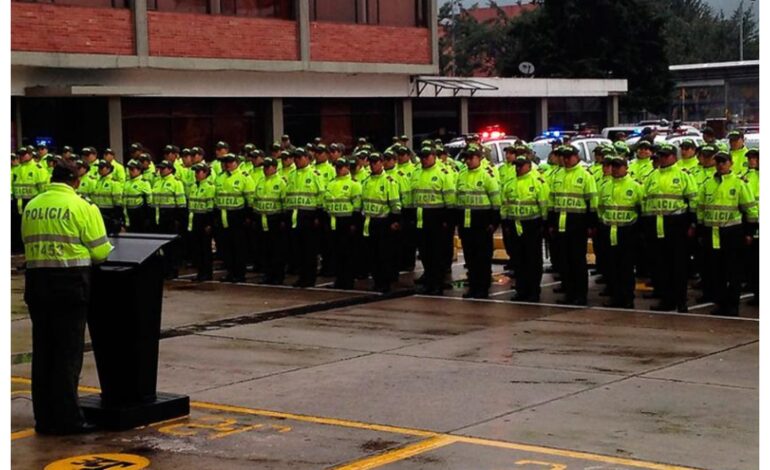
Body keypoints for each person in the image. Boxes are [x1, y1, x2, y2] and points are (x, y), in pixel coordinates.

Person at [22, 160, 113, 435]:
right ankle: (69, 419)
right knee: (67, 355)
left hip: (37, 284)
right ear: (75, 181)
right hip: (70, 286)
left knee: (44, 353)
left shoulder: (32, 205)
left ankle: (45, 418)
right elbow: (100, 252)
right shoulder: (81, 206)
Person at [697, 151, 758, 316]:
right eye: (718, 162)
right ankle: (721, 303)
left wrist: (749, 233)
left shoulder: (739, 183)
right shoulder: (708, 184)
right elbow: (701, 209)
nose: (720, 165)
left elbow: (751, 210)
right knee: (717, 271)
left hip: (733, 233)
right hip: (712, 233)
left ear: (730, 163)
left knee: (734, 272)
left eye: (723, 162)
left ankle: (733, 305)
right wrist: (702, 231)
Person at [643, 143, 698, 312]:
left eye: (666, 155)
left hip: (678, 225)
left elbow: (693, 201)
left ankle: (681, 301)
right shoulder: (652, 176)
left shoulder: (683, 175)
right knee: (661, 265)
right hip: (657, 225)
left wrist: (692, 224)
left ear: (674, 157)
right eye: (661, 155)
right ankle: (666, 300)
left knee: (678, 266)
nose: (663, 158)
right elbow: (645, 201)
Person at [548, 145, 598, 306]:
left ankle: (580, 295)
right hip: (560, 223)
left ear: (577, 156)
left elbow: (593, 202)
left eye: (569, 156)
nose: (566, 159)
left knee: (577, 261)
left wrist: (591, 224)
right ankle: (569, 293)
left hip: (578, 224)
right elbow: (551, 201)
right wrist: (550, 222)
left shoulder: (585, 175)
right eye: (564, 156)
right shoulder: (558, 174)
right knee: (564, 261)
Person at [502, 154, 549, 302]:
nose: (518, 168)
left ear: (529, 166)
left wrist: (544, 224)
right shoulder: (510, 183)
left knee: (533, 260)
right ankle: (521, 290)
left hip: (532, 226)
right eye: (516, 165)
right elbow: (505, 206)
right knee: (518, 260)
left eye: (521, 165)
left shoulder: (537, 182)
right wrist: (505, 223)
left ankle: (534, 291)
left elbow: (544, 205)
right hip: (515, 225)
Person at [598, 155, 644, 308]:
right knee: (612, 266)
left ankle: (627, 298)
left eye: (618, 166)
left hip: (628, 232)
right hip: (609, 231)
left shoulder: (635, 186)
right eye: (613, 166)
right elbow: (601, 208)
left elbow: (641, 209)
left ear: (626, 167)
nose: (615, 169)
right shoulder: (605, 186)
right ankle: (616, 296)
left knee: (626, 267)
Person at [455, 146, 500, 299]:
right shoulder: (461, 175)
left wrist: (493, 223)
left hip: (482, 223)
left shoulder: (487, 176)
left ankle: (483, 287)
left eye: (471, 158)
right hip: (466, 223)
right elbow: (458, 200)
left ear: (479, 158)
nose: (467, 161)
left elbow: (496, 201)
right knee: (470, 258)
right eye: (466, 158)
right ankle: (473, 286)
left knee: (482, 258)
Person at [410, 146, 456, 295]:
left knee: (437, 253)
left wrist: (448, 220)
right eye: (422, 156)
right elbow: (413, 196)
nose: (424, 159)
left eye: (427, 156)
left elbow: (450, 199)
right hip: (420, 217)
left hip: (437, 217)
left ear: (434, 156)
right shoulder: (416, 172)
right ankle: (429, 280)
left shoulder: (443, 173)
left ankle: (438, 283)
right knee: (425, 252)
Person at [361, 152, 402, 293]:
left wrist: (395, 221)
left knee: (383, 255)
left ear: (382, 162)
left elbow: (395, 204)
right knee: (372, 255)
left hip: (383, 223)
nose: (373, 165)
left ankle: (385, 283)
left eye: (375, 162)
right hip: (369, 222)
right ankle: (377, 281)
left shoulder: (389, 181)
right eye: (371, 162)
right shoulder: (366, 181)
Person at [285, 147, 325, 287]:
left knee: (310, 250)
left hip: (309, 216)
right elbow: (287, 196)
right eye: (295, 157)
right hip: (295, 216)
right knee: (299, 250)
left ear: (307, 158)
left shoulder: (314, 174)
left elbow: (321, 195)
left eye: (300, 157)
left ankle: (310, 278)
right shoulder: (292, 174)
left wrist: (318, 216)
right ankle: (302, 277)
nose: (297, 160)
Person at [214, 153, 255, 283]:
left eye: (230, 162)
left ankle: (239, 274)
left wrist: (248, 216)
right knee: (226, 247)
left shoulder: (244, 177)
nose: (227, 164)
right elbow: (216, 197)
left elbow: (250, 199)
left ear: (236, 163)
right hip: (223, 215)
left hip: (238, 216)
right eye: (225, 162)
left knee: (239, 247)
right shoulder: (220, 177)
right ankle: (230, 272)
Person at [323, 157, 362, 289]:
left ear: (347, 167)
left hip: (347, 222)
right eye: (337, 167)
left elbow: (357, 206)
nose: (339, 169)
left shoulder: (354, 184)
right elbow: (326, 202)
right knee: (336, 253)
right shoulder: (331, 183)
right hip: (333, 221)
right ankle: (339, 280)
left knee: (348, 254)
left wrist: (353, 224)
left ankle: (348, 280)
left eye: (341, 167)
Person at [253, 156, 288, 285]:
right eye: (264, 167)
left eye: (268, 167)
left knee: (277, 251)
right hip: (262, 220)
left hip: (276, 220)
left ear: (275, 167)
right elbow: (256, 200)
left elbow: (285, 202)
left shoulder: (281, 182)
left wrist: (284, 220)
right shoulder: (261, 182)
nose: (265, 169)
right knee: (265, 250)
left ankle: (278, 276)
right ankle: (267, 274)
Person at [151, 160, 186, 278]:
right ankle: (165, 269)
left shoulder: (176, 183)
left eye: (164, 168)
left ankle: (173, 269)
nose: (161, 170)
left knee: (172, 246)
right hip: (159, 216)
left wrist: (178, 219)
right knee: (163, 246)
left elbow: (181, 203)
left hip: (171, 217)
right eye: (160, 168)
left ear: (170, 169)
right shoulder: (157, 182)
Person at [12, 147, 49, 250]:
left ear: (31, 155)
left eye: (24, 154)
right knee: (17, 227)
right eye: (20, 154)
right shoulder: (16, 169)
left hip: (33, 202)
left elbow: (43, 190)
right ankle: (18, 247)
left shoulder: (39, 169)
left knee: (32, 228)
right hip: (17, 203)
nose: (22, 156)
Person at [186, 163, 216, 281]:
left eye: (198, 172)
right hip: (194, 219)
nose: (196, 174)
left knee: (205, 249)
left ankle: (207, 273)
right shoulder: (194, 187)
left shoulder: (209, 187)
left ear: (205, 173)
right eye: (195, 172)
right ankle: (200, 272)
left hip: (204, 219)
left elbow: (210, 207)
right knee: (197, 248)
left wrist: (209, 224)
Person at [743, 149, 759, 305]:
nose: (752, 161)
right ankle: (757, 294)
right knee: (754, 261)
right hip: (753, 223)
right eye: (750, 158)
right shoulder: (747, 177)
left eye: (755, 158)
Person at [91, 160, 124, 234]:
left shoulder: (114, 183)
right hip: (99, 211)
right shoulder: (98, 182)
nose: (99, 169)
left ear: (109, 169)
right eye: (99, 167)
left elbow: (118, 202)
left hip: (109, 213)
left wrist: (117, 217)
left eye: (101, 168)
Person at [122, 160, 152, 233]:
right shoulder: (127, 183)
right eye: (129, 169)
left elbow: (149, 202)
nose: (130, 171)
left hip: (139, 214)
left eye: (132, 169)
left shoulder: (144, 183)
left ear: (139, 170)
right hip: (127, 213)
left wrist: (148, 218)